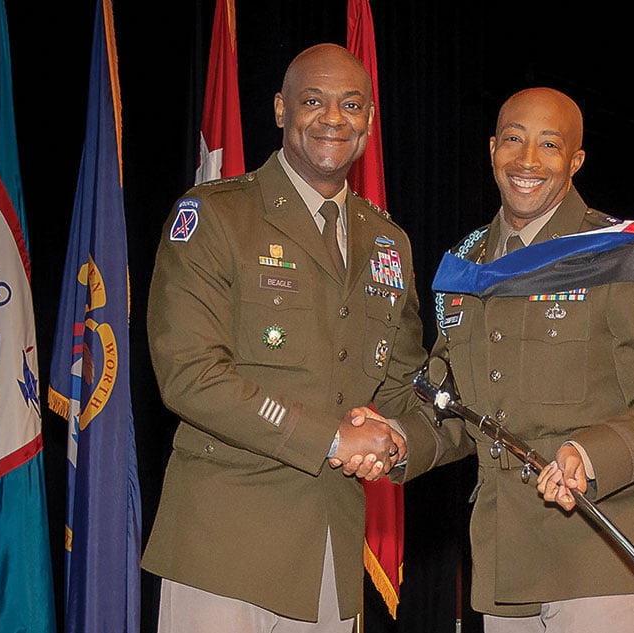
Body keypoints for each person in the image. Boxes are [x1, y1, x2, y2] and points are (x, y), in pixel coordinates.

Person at [394, 87, 634, 632]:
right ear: (492, 148)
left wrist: (589, 454)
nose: (527, 160)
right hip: (504, 559)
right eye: (514, 139)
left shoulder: (622, 255)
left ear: (576, 160)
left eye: (549, 145)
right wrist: (396, 440)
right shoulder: (466, 265)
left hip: (598, 549)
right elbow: (455, 411)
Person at [143, 43, 432, 632]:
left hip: (327, 553)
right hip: (222, 550)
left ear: (370, 120)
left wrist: (399, 439)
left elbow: (405, 387)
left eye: (351, 104)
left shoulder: (388, 242)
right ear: (281, 109)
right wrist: (333, 437)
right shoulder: (216, 216)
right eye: (313, 101)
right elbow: (190, 375)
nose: (334, 118)